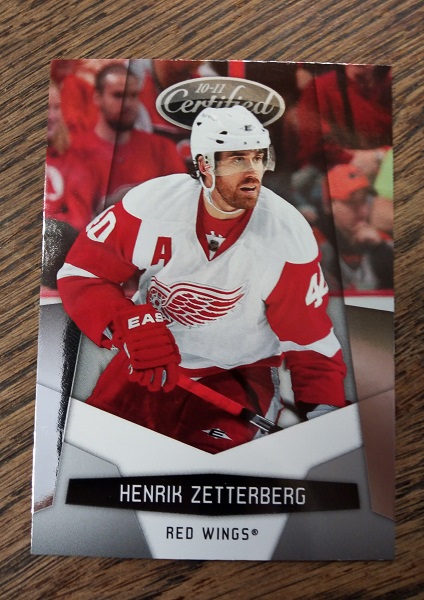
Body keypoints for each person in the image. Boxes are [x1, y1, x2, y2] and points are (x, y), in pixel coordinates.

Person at [57, 106, 347, 453]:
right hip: (148, 364)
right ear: (205, 165)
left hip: (237, 375)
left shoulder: (287, 236)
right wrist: (126, 324)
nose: (252, 172)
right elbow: (82, 273)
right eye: (237, 160)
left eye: (258, 158)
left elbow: (309, 341)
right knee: (88, 455)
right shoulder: (152, 205)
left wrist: (325, 417)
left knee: (211, 476)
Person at [72, 62, 187, 209]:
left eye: (133, 95)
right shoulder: (76, 151)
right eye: (118, 95)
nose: (127, 103)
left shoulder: (162, 148)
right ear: (97, 97)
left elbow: (182, 203)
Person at [42, 82, 98, 294]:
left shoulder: (75, 160)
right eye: (46, 108)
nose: (52, 116)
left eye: (56, 108)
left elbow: (78, 222)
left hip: (55, 256)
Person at [295, 65, 392, 178]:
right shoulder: (321, 87)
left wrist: (379, 154)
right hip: (330, 170)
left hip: (382, 165)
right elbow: (314, 145)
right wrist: (352, 158)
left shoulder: (388, 86)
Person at [316, 163, 394, 292]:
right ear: (328, 205)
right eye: (350, 202)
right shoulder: (314, 242)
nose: (362, 211)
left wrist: (381, 251)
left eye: (363, 201)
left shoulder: (380, 241)